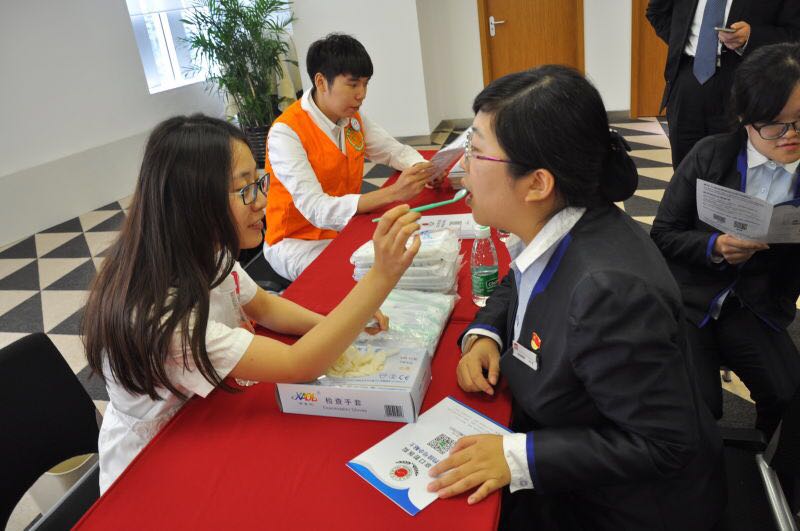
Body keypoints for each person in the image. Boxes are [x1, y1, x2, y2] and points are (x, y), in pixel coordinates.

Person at [425, 66, 724, 530]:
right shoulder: (565, 222)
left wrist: (517, 456)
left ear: (537, 183)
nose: (463, 169)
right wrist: (486, 332)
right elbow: (521, 279)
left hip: (623, 507)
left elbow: (663, 444)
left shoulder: (608, 292)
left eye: (475, 152)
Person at [81, 115, 421, 493]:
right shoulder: (162, 317)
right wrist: (379, 278)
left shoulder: (206, 250)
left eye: (258, 182)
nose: (261, 201)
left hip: (202, 416)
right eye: (243, 189)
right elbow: (298, 364)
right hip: (153, 464)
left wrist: (338, 323)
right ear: (195, 203)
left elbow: (265, 307)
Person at [651, 42, 800, 438]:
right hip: (690, 300)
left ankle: (766, 462)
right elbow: (661, 235)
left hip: (756, 305)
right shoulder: (710, 156)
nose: (790, 136)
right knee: (700, 406)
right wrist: (712, 247)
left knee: (788, 396)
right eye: (774, 124)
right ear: (745, 118)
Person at [264, 33, 439, 281]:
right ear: (321, 82)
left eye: (365, 84)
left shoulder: (351, 118)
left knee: (403, 259)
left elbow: (392, 150)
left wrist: (425, 168)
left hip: (343, 228)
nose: (361, 94)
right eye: (353, 84)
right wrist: (394, 192)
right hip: (297, 242)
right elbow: (317, 209)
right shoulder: (286, 133)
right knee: (363, 280)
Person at [646, 0, 800, 168]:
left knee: (735, 166)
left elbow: (794, 33)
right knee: (686, 164)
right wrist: (687, 42)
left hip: (746, 83)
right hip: (688, 80)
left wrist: (751, 37)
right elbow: (656, 12)